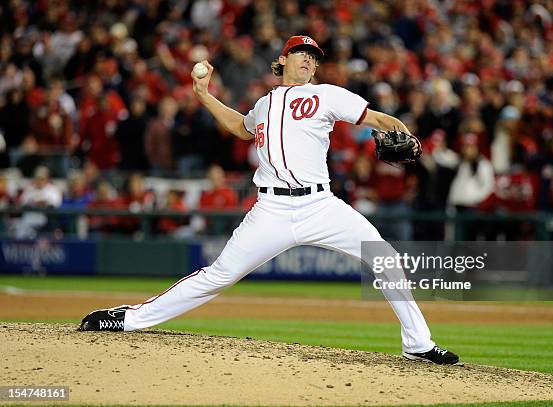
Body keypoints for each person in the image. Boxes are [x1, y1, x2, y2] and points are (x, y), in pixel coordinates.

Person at [78, 36, 459, 365]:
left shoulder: (326, 94)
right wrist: (204, 95)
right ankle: (127, 319)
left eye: (314, 56)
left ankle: (418, 344)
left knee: (384, 257)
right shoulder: (262, 105)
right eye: (300, 53)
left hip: (321, 205)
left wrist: (406, 133)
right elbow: (237, 126)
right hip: (271, 210)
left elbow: (377, 119)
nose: (309, 59)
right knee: (217, 276)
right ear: (282, 61)